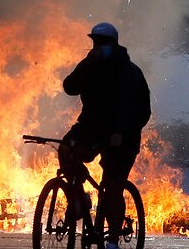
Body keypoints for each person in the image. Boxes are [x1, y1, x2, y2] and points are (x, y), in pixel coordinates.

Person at [60, 22, 151, 249]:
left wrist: (121, 132)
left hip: (123, 136)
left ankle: (111, 241)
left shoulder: (129, 72)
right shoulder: (90, 66)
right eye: (95, 42)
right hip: (92, 128)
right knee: (65, 149)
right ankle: (79, 201)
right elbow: (69, 87)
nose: (99, 47)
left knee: (112, 186)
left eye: (103, 43)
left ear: (114, 44)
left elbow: (135, 108)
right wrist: (86, 65)